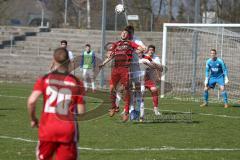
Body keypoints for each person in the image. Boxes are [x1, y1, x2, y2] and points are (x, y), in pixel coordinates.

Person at [27, 47, 85, 160]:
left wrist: (33, 119)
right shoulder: (77, 82)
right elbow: (82, 112)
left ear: (53, 60)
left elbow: (31, 101)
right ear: (69, 61)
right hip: (67, 130)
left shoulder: (44, 79)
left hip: (47, 129)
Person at [99, 28, 145, 122]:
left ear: (128, 35)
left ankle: (128, 111)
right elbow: (111, 55)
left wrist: (140, 49)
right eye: (122, 32)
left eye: (125, 33)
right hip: (116, 69)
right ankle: (113, 107)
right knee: (112, 88)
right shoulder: (117, 43)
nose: (123, 34)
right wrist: (104, 63)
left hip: (125, 68)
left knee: (128, 90)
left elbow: (141, 48)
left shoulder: (131, 43)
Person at [144, 45, 163, 116]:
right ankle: (130, 109)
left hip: (151, 79)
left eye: (152, 50)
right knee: (137, 93)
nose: (151, 51)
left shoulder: (156, 58)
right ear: (147, 51)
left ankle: (156, 110)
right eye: (150, 50)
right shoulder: (144, 56)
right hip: (142, 79)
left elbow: (159, 68)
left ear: (154, 51)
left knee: (154, 90)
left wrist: (159, 77)